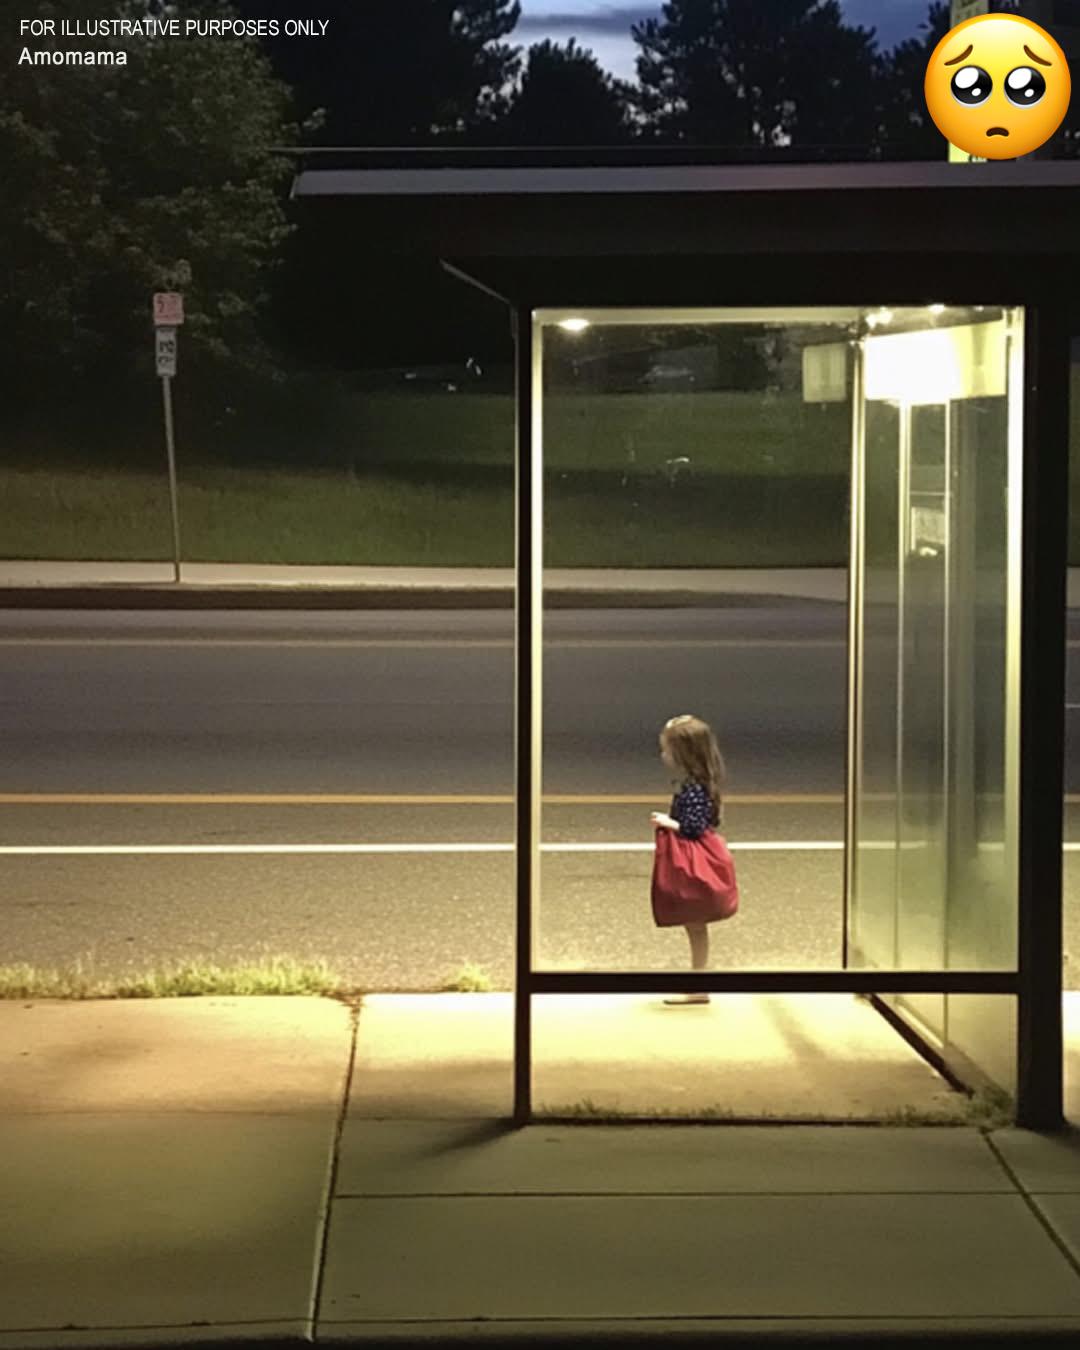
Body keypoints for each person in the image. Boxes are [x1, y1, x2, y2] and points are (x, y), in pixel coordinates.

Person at [650, 713, 727, 1005]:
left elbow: (693, 827)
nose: (663, 755)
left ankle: (699, 984)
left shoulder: (693, 789)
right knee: (695, 926)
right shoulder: (699, 784)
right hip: (695, 853)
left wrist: (667, 822)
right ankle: (698, 981)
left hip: (692, 859)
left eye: (667, 749)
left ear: (683, 754)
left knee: (695, 923)